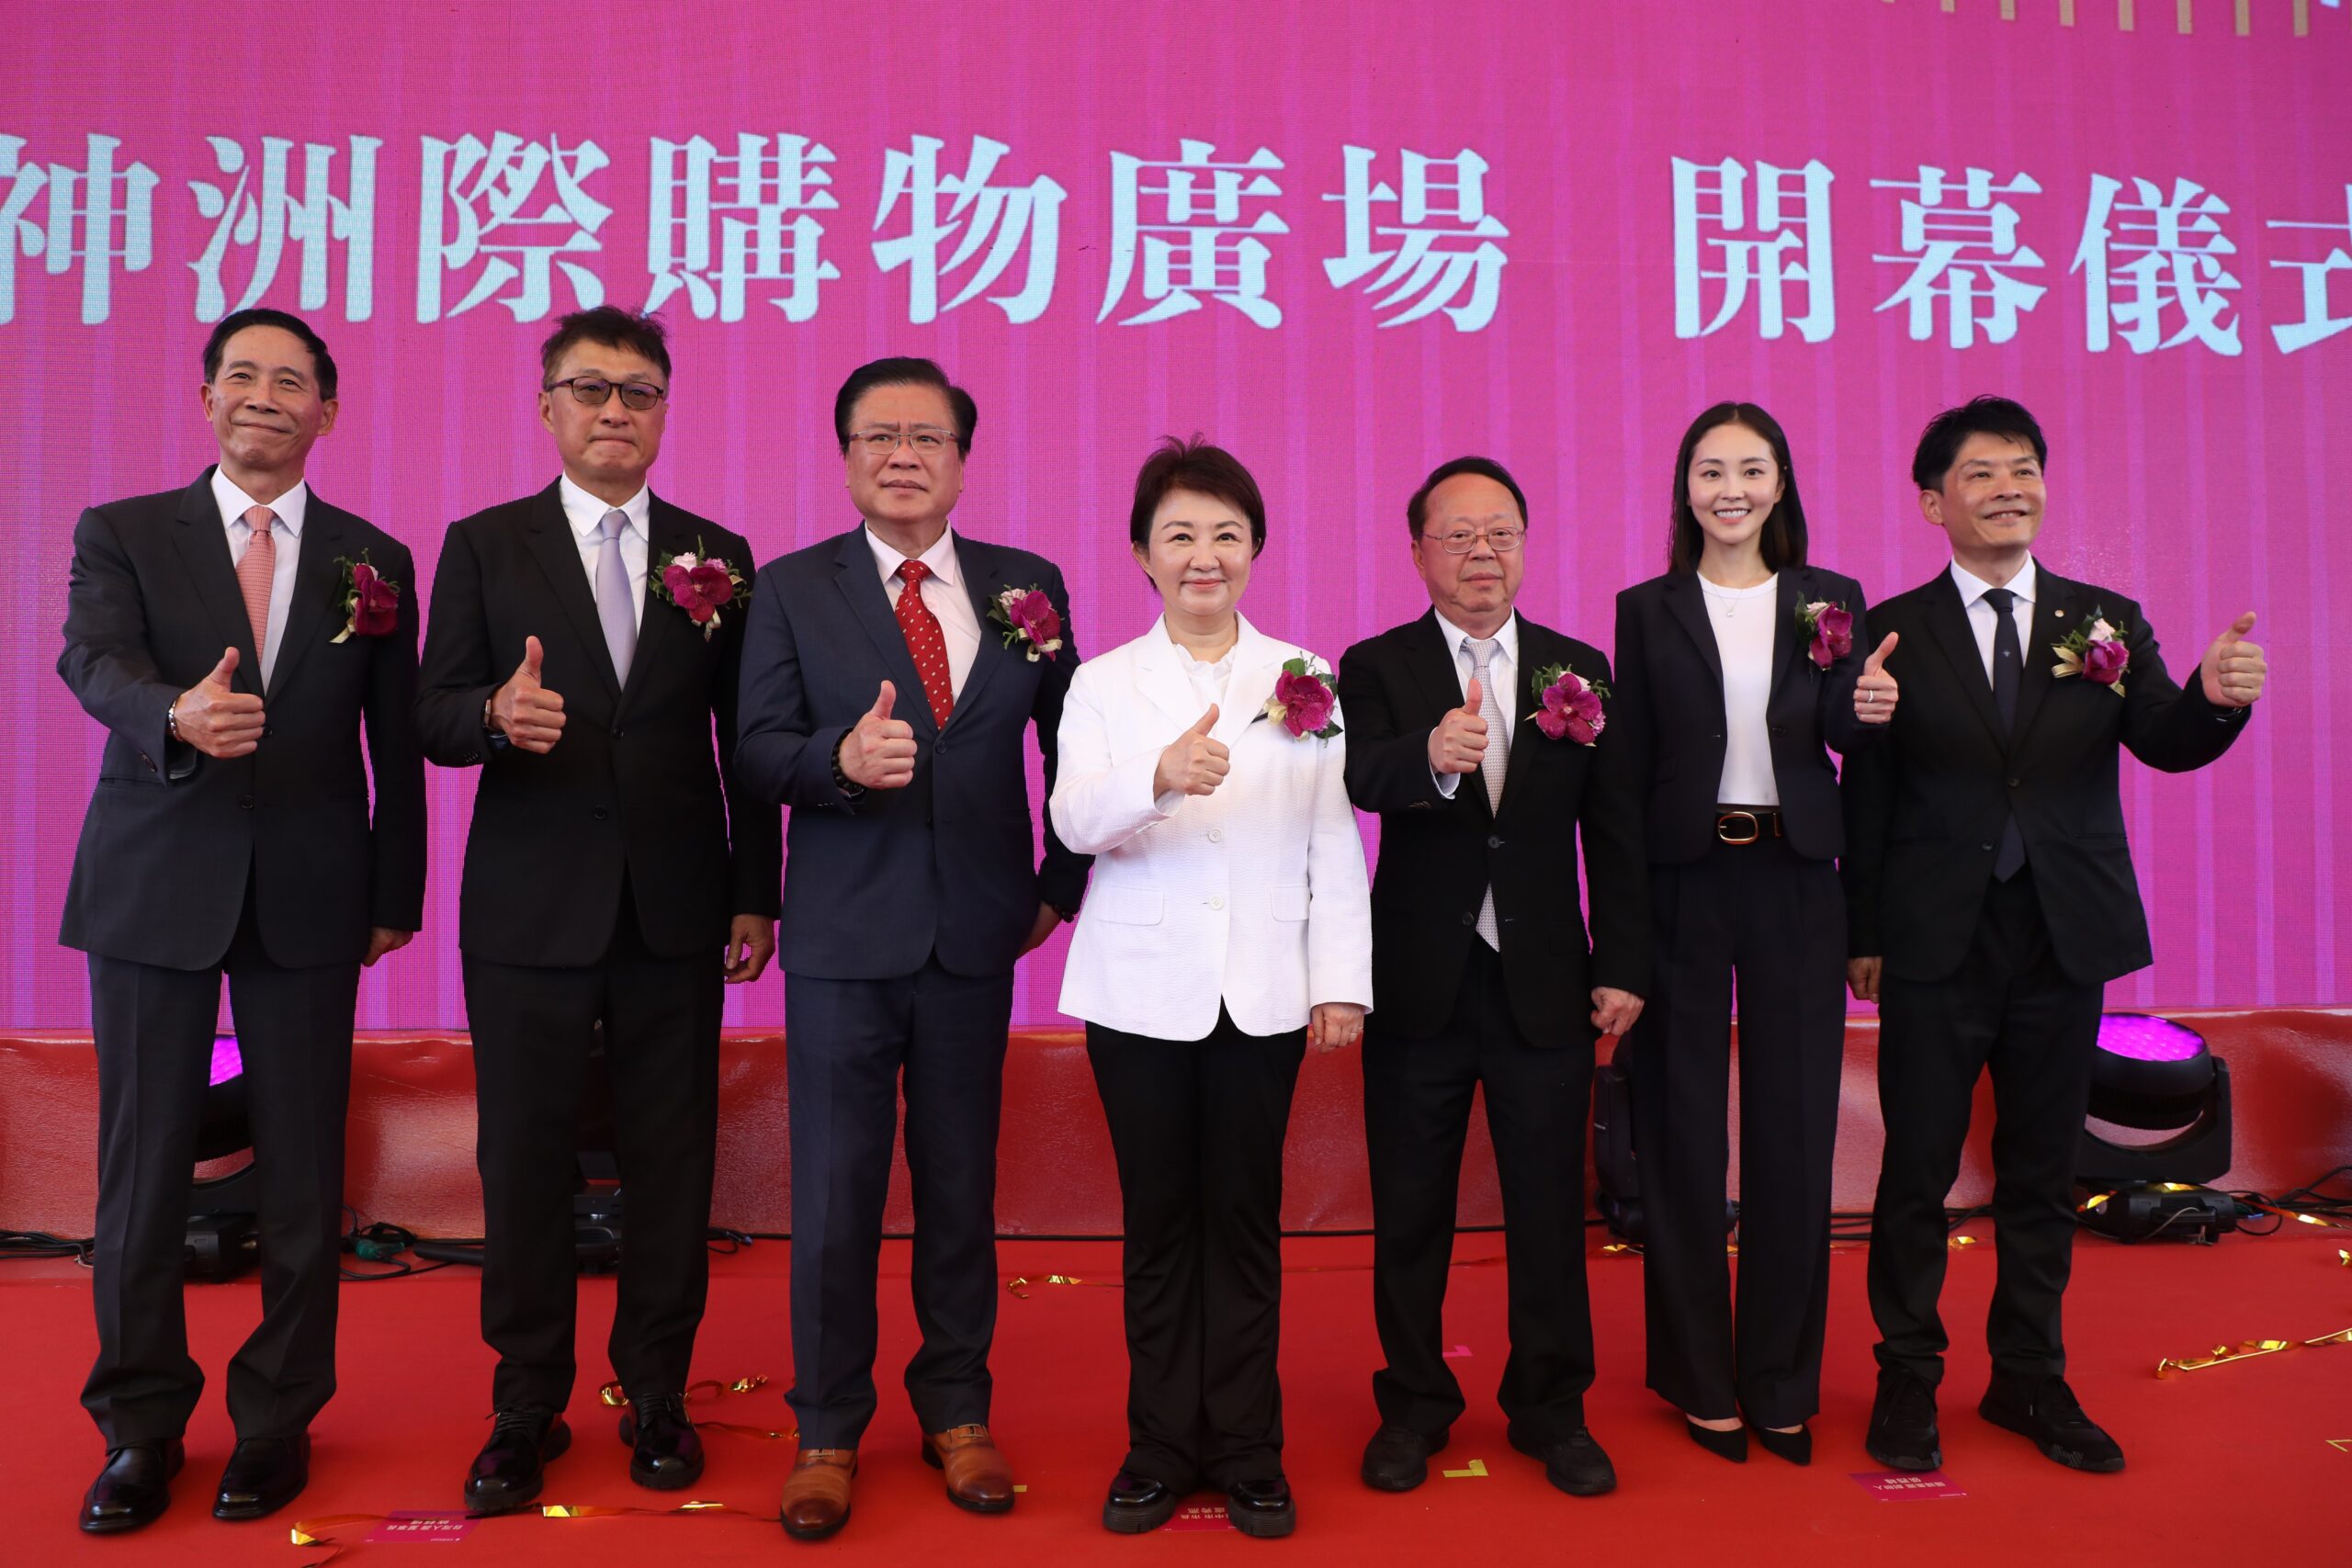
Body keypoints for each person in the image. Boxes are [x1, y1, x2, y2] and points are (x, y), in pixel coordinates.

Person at [1845, 395, 2267, 1475]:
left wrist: (2216, 698)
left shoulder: (2103, 620)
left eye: (2022, 469)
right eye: (1980, 474)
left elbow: (2165, 738)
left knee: (2040, 1173)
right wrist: (1862, 932)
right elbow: (1868, 797)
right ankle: (1906, 1377)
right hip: (1934, 941)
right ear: (1933, 503)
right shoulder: (1893, 628)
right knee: (1916, 1173)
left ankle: (2029, 1378)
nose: (2008, 489)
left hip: (2060, 936)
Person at [59, 308, 425, 1531]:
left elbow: (393, 745)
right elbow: (91, 662)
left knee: (303, 1169)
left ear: (328, 411)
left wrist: (393, 892)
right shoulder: (122, 531)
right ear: (207, 397)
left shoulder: (374, 558)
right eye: (242, 375)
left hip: (311, 893)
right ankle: (140, 1424)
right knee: (143, 1167)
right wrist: (174, 713)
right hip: (153, 883)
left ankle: (277, 1419)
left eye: (290, 380)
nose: (264, 394)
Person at [413, 306, 779, 1511]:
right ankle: (525, 1404)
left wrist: (755, 892)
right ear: (547, 407)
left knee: (673, 1157)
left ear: (664, 412)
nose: (615, 410)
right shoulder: (485, 544)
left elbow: (747, 743)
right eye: (591, 388)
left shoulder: (717, 554)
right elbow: (430, 711)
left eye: (639, 391)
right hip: (529, 910)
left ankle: (657, 1390)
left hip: (675, 905)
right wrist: (489, 717)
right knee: (524, 1158)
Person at [733, 356, 1088, 1541]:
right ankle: (827, 1429)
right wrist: (836, 761)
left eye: (927, 437)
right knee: (836, 1198)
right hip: (844, 940)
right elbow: (754, 750)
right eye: (877, 436)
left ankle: (957, 1412)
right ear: (845, 459)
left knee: (959, 1190)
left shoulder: (1026, 588)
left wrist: (1059, 885)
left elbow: (1075, 747)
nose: (902, 456)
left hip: (974, 939)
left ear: (961, 461)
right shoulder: (792, 589)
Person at [1052, 437, 1371, 1538]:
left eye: (1225, 534)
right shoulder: (1102, 682)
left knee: (1242, 1223)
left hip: (1264, 992)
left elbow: (1332, 836)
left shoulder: (1303, 674)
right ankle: (1156, 1446)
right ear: (1141, 553)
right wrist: (1157, 776)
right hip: (1138, 994)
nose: (1203, 555)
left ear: (1255, 549)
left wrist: (1339, 980)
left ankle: (1245, 1448)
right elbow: (1071, 821)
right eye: (1179, 534)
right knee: (1157, 1225)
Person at [1336, 456, 1644, 1502]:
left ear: (1524, 544)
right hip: (1417, 984)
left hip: (1544, 984)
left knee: (1549, 1210)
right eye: (1458, 534)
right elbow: (1357, 777)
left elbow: (1615, 830)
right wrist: (1430, 753)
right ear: (1418, 550)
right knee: (1409, 1211)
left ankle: (1552, 1408)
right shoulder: (1376, 664)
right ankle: (1413, 1406)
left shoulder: (1577, 667)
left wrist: (1623, 963)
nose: (1482, 552)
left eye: (1501, 532)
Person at [1610, 404, 1895, 1467]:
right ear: (1685, 489)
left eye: (1750, 469)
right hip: (1684, 880)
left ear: (1779, 485)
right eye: (1709, 470)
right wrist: (1618, 943)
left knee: (1793, 1134)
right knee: (1680, 1133)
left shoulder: (1830, 600)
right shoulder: (1646, 610)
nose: (1729, 489)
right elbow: (1626, 779)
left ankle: (1779, 1380)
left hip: (1795, 879)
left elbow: (1849, 748)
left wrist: (1868, 704)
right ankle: (1698, 1378)